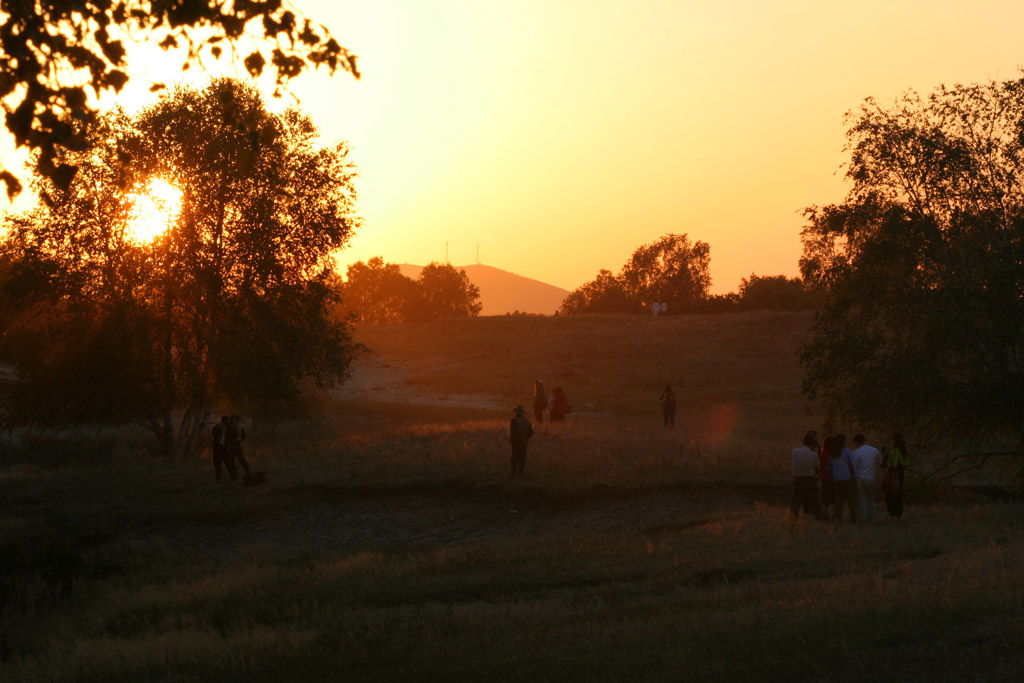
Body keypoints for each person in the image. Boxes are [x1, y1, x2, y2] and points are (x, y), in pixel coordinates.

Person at [790, 431, 821, 519]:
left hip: (798, 480)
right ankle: (819, 517)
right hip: (810, 480)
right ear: (812, 443)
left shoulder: (794, 452)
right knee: (815, 500)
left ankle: (793, 519)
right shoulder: (813, 454)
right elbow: (817, 468)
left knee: (795, 502)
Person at [851, 433, 881, 523]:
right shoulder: (875, 450)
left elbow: (853, 467)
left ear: (858, 442)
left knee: (861, 500)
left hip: (860, 478)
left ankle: (863, 519)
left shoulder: (856, 452)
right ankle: (872, 519)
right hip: (871, 478)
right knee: (871, 500)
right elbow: (878, 464)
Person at [829, 434, 858, 524]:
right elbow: (852, 465)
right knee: (852, 503)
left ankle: (838, 521)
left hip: (837, 481)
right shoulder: (847, 451)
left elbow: (829, 467)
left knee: (839, 504)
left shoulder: (833, 453)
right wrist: (855, 477)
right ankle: (853, 521)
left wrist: (832, 478)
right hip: (849, 480)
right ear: (844, 442)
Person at [882, 433, 910, 520]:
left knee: (890, 494)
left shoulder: (895, 451)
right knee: (899, 494)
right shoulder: (905, 451)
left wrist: (886, 454)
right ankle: (899, 515)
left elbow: (891, 464)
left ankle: (892, 515)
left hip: (893, 474)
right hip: (901, 474)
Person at [509, 405, 534, 477]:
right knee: (522, 458)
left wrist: (519, 439)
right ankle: (521, 474)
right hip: (524, 442)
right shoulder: (527, 421)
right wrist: (525, 438)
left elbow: (514, 432)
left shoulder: (514, 421)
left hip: (516, 442)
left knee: (514, 458)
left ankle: (513, 474)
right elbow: (531, 432)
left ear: (516, 413)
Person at [226, 415, 252, 479]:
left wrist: (240, 441)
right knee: (232, 462)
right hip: (230, 447)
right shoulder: (227, 428)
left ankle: (248, 471)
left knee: (242, 460)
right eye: (233, 419)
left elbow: (244, 436)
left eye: (235, 419)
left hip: (237, 446)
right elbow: (226, 437)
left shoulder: (239, 427)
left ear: (237, 420)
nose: (234, 420)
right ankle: (235, 476)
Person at [211, 415, 235, 480]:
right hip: (218, 447)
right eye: (226, 420)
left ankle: (234, 477)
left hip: (225, 448)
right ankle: (218, 477)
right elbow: (214, 434)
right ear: (223, 421)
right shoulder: (217, 427)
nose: (227, 422)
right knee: (217, 464)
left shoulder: (230, 428)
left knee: (228, 463)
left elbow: (233, 437)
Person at [818, 435, 836, 521]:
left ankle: (825, 515)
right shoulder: (834, 455)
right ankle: (834, 515)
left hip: (824, 479)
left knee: (824, 499)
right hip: (833, 479)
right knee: (834, 499)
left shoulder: (822, 454)